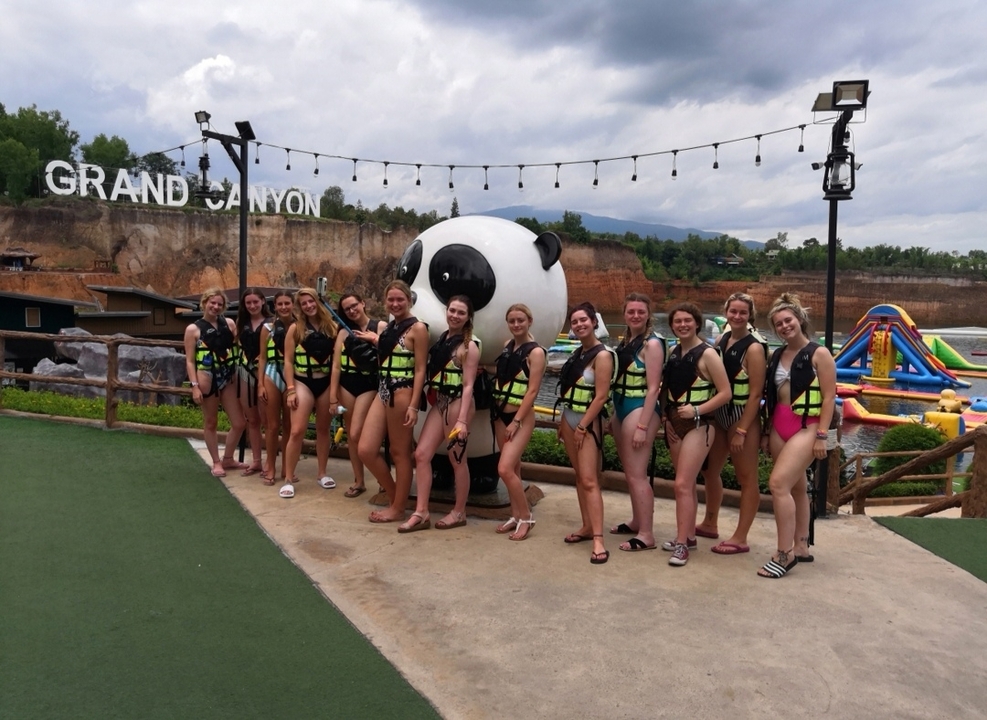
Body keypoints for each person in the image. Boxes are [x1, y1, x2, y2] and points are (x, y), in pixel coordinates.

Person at [758, 293, 836, 578]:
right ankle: (801, 546)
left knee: (778, 484)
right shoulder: (777, 355)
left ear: (800, 319)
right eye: (778, 323)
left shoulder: (819, 354)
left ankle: (784, 553)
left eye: (788, 320)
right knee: (796, 488)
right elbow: (770, 395)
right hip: (780, 423)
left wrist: (822, 436)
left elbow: (829, 398)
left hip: (808, 425)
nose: (784, 326)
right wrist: (767, 431)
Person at [399, 295, 480, 533]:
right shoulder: (443, 339)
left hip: (457, 405)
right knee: (422, 454)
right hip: (440, 403)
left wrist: (463, 420)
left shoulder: (469, 346)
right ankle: (421, 512)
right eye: (452, 310)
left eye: (461, 313)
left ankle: (459, 511)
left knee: (457, 460)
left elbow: (468, 385)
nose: (455, 316)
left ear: (468, 317)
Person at [660, 302, 731, 567]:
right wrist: (667, 417)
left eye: (687, 320)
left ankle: (681, 545)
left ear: (697, 323)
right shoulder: (673, 352)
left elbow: (725, 393)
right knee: (685, 485)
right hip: (675, 422)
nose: (682, 325)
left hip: (700, 424)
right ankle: (687, 536)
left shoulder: (708, 354)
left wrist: (698, 410)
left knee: (681, 484)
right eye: (677, 321)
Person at [697, 293, 767, 556]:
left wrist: (742, 430)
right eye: (733, 311)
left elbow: (756, 394)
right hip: (720, 414)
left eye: (743, 313)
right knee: (709, 470)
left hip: (741, 415)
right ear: (725, 312)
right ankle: (710, 522)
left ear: (750, 316)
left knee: (746, 478)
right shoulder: (721, 340)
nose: (737, 316)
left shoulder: (755, 348)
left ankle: (740, 537)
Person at [357, 280, 428, 523]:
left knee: (400, 453)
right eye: (391, 300)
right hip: (383, 389)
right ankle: (396, 496)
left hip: (403, 391)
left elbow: (420, 369)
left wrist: (413, 405)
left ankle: (398, 508)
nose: (395, 304)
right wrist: (375, 340)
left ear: (409, 300)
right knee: (365, 449)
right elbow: (390, 350)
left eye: (400, 299)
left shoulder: (418, 329)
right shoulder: (387, 328)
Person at [557, 302, 614, 565]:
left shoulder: (602, 356)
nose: (579, 325)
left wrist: (583, 426)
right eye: (575, 321)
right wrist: (563, 422)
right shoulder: (578, 353)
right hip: (569, 418)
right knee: (579, 476)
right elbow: (568, 392)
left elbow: (601, 396)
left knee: (590, 479)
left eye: (583, 320)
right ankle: (586, 526)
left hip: (587, 424)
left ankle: (599, 539)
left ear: (594, 322)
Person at [608, 293, 665, 552]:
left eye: (641, 312)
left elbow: (653, 388)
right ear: (624, 314)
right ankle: (636, 520)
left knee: (637, 475)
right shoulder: (627, 341)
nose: (635, 316)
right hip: (620, 406)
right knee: (630, 473)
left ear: (648, 314)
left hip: (640, 407)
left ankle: (647, 534)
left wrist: (642, 426)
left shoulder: (651, 345)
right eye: (631, 312)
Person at [489, 304, 546, 541]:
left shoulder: (536, 353)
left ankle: (526, 517)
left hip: (520, 417)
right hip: (500, 413)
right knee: (513, 468)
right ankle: (515, 515)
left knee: (503, 468)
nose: (516, 325)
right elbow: (503, 372)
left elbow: (532, 391)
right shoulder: (507, 347)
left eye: (520, 320)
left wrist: (517, 421)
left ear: (529, 321)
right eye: (511, 320)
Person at [281, 288, 339, 498]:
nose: (308, 306)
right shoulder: (295, 329)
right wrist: (290, 390)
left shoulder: (332, 327)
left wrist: (334, 393)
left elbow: (337, 361)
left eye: (311, 301)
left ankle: (322, 473)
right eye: (304, 303)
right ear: (300, 307)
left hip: (324, 383)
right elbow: (287, 360)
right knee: (297, 431)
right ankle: (288, 478)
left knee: (323, 430)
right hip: (302, 381)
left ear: (318, 302)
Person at [184, 288, 248, 478]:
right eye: (212, 303)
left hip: (227, 377)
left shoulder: (229, 324)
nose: (216, 307)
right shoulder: (193, 329)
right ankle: (217, 462)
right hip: (206, 377)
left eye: (220, 304)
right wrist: (194, 386)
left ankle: (228, 458)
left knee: (239, 422)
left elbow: (240, 344)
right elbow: (189, 360)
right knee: (211, 421)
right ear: (204, 303)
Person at [329, 293, 385, 498]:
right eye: (347, 309)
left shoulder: (380, 327)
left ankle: (382, 478)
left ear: (363, 303)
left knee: (356, 433)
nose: (352, 311)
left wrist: (374, 340)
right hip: (347, 384)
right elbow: (336, 366)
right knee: (352, 436)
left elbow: (391, 353)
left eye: (354, 306)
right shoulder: (343, 333)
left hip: (368, 384)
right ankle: (359, 481)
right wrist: (333, 396)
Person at [257, 290, 294, 485]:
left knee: (289, 425)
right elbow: (262, 357)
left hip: (291, 376)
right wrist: (260, 384)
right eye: (280, 304)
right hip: (272, 372)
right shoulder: (267, 328)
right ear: (275, 306)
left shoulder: (299, 327)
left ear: (293, 305)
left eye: (287, 303)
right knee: (272, 425)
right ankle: (270, 465)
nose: (284, 307)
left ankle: (287, 468)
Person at [234, 288, 270, 476]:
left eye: (255, 301)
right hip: (245, 372)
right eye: (248, 303)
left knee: (267, 420)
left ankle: (270, 461)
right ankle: (256, 460)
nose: (252, 305)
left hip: (266, 373)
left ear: (263, 301)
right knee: (252, 419)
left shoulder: (272, 323)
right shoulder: (242, 322)